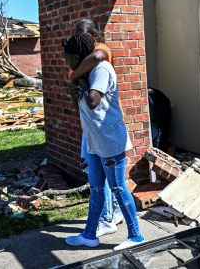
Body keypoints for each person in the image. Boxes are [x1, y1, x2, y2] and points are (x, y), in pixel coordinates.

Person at [63, 32, 144, 250]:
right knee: (97, 188)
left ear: (78, 56)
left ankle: (136, 236)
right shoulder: (86, 72)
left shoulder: (101, 70)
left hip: (109, 140)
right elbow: (80, 108)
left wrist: (78, 77)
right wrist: (74, 91)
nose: (66, 62)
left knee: (118, 187)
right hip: (93, 141)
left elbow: (92, 101)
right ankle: (90, 235)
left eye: (68, 58)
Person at [69, 19, 123, 239]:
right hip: (91, 126)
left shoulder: (100, 53)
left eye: (84, 36)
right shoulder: (84, 62)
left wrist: (74, 75)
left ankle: (108, 218)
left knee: (108, 178)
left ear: (94, 36)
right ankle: (108, 216)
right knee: (98, 177)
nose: (81, 41)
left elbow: (97, 58)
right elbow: (79, 100)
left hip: (104, 127)